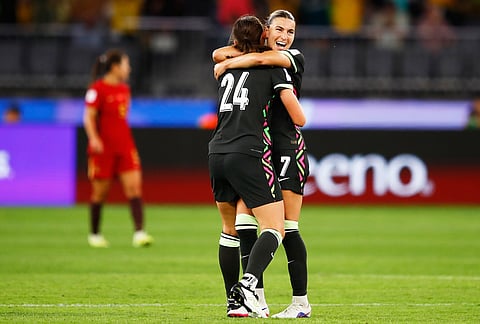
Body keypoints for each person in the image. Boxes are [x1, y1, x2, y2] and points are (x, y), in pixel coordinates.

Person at [212, 9, 311, 318]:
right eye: (279, 29)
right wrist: (235, 56)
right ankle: (257, 298)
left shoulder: (291, 58)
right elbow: (219, 52)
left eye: (291, 31)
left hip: (287, 150)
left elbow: (247, 59)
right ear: (265, 31)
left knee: (289, 227)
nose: (285, 36)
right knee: (244, 224)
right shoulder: (263, 58)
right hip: (260, 151)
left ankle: (300, 303)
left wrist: (230, 62)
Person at [83, 48, 153, 248]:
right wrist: (94, 138)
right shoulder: (97, 89)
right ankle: (95, 234)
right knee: (100, 193)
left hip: (125, 146)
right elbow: (88, 117)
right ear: (115, 67)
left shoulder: (124, 89)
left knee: (134, 189)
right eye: (126, 64)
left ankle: (140, 233)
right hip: (103, 149)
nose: (129, 69)